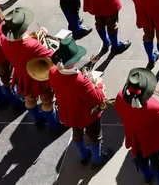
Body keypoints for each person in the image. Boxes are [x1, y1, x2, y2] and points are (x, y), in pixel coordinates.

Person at [47, 36, 112, 168]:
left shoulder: (52, 71)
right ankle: (97, 159)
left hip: (68, 112)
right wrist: (99, 84)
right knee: (94, 136)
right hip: (87, 114)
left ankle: (83, 155)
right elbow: (98, 99)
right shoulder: (80, 81)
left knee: (77, 133)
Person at [115, 67, 159, 185]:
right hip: (154, 140)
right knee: (157, 162)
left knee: (140, 158)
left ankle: (148, 178)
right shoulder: (153, 106)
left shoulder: (120, 96)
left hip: (135, 136)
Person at [0, 6, 61, 129]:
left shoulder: (3, 39)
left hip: (21, 76)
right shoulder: (31, 45)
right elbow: (51, 56)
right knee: (47, 101)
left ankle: (38, 120)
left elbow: (20, 44)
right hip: (39, 77)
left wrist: (36, 34)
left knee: (30, 99)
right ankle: (54, 126)